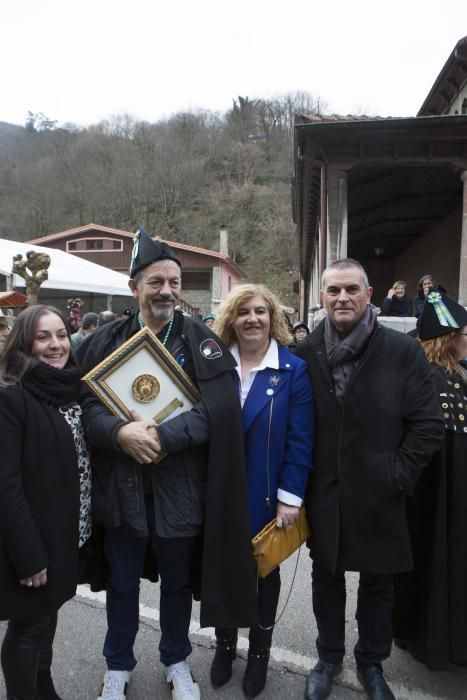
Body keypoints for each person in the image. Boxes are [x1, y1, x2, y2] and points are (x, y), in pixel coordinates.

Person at [76, 227, 257, 700]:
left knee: (176, 586)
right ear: (134, 286)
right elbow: (84, 408)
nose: (167, 291)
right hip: (122, 491)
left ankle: (176, 660)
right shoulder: (104, 339)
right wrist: (119, 434)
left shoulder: (202, 341)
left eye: (174, 282)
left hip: (179, 493)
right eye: (156, 282)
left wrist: (164, 436)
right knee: (121, 586)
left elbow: (220, 410)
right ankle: (118, 665)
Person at [295, 258, 444, 700]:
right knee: (326, 578)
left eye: (351, 290)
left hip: (382, 492)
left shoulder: (401, 351)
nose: (342, 298)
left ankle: (371, 662)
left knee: (379, 584)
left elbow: (428, 424)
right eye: (333, 291)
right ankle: (328, 656)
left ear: (369, 294)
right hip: (325, 493)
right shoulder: (305, 354)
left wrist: (397, 475)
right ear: (321, 298)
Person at [210, 284, 314, 698]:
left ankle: (259, 655)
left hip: (267, 495)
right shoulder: (216, 367)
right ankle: (224, 646)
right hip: (218, 492)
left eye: (260, 311)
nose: (252, 319)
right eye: (242, 312)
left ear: (274, 318)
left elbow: (301, 439)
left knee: (262, 577)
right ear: (231, 321)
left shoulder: (292, 370)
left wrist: (291, 496)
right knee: (222, 572)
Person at [0, 305, 91, 700]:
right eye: (43, 337)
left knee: (47, 614)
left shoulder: (68, 387)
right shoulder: (12, 395)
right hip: (33, 538)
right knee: (28, 625)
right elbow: (5, 483)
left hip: (65, 529)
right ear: (24, 342)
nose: (56, 345)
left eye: (61, 335)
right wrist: (29, 555)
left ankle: (43, 683)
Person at [393, 290, 467, 669]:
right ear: (449, 337)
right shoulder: (423, 378)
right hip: (428, 494)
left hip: (453, 493)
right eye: (464, 333)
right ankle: (421, 636)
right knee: (427, 562)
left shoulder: (458, 375)